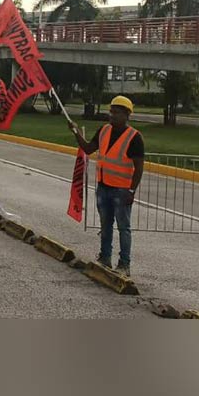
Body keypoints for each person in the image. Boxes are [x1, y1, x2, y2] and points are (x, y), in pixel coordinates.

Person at [67, 96, 144, 277]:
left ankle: (124, 264)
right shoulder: (104, 131)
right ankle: (105, 258)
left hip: (122, 190)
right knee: (105, 224)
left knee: (123, 227)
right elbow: (88, 148)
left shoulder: (134, 137)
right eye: (111, 112)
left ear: (127, 115)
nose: (113, 115)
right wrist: (76, 132)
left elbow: (139, 167)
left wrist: (132, 190)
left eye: (117, 112)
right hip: (103, 187)